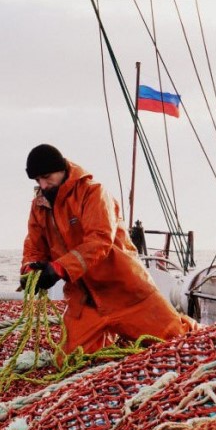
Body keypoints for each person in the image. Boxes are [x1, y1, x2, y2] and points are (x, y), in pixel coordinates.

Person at [21, 144, 196, 354]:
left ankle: (194, 326)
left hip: (125, 290)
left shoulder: (93, 192)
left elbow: (100, 240)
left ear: (62, 169)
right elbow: (33, 248)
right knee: (69, 361)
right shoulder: (39, 206)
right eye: (38, 180)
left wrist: (59, 269)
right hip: (84, 301)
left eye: (47, 177)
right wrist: (29, 270)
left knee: (179, 341)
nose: (43, 184)